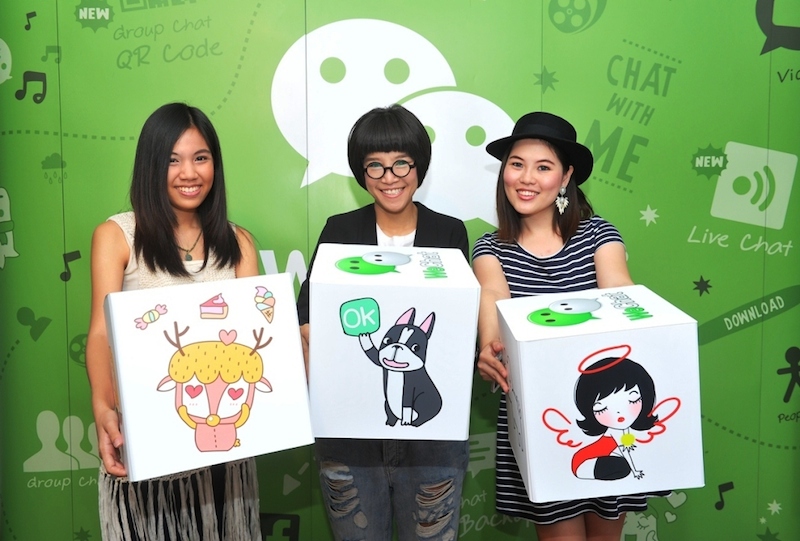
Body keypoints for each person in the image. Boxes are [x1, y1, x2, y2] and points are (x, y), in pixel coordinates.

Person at [473, 112, 663, 541]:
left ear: (566, 177)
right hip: (542, 417)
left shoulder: (598, 234)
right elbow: (493, 297)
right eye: (517, 164)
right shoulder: (490, 248)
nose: (526, 178)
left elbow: (619, 289)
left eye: (543, 167)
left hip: (610, 410)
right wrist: (489, 346)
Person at [86, 103, 262, 541]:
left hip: (224, 457)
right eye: (172, 160)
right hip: (146, 448)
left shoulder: (239, 242)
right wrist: (103, 408)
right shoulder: (117, 236)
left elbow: (255, 340)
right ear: (151, 165)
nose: (189, 173)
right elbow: (101, 333)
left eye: (201, 158)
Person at [296, 104, 469, 541]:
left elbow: (457, 326)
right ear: (361, 171)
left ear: (419, 166)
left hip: (431, 439)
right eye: (375, 165)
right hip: (350, 434)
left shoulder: (449, 233)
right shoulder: (339, 231)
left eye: (401, 163)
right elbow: (307, 316)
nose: (389, 177)